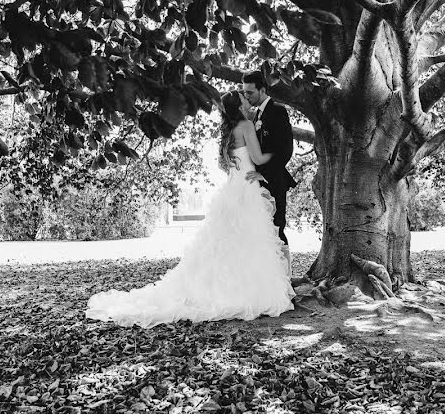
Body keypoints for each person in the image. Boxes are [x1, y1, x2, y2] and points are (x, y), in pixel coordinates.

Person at [85, 91, 294, 327]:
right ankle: (251, 290)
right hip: (247, 188)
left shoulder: (226, 133)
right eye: (244, 99)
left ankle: (224, 289)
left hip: (233, 188)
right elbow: (257, 157)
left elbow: (223, 164)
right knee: (251, 239)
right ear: (239, 106)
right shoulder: (246, 126)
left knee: (229, 242)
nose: (248, 101)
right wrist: (274, 154)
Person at [241, 71, 297, 276]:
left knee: (277, 229)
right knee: (263, 232)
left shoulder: (278, 111)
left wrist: (264, 175)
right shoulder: (255, 115)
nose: (247, 96)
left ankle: (286, 279)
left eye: (250, 92)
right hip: (259, 186)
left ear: (262, 89)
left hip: (274, 182)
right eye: (244, 92)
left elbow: (285, 150)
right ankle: (270, 280)